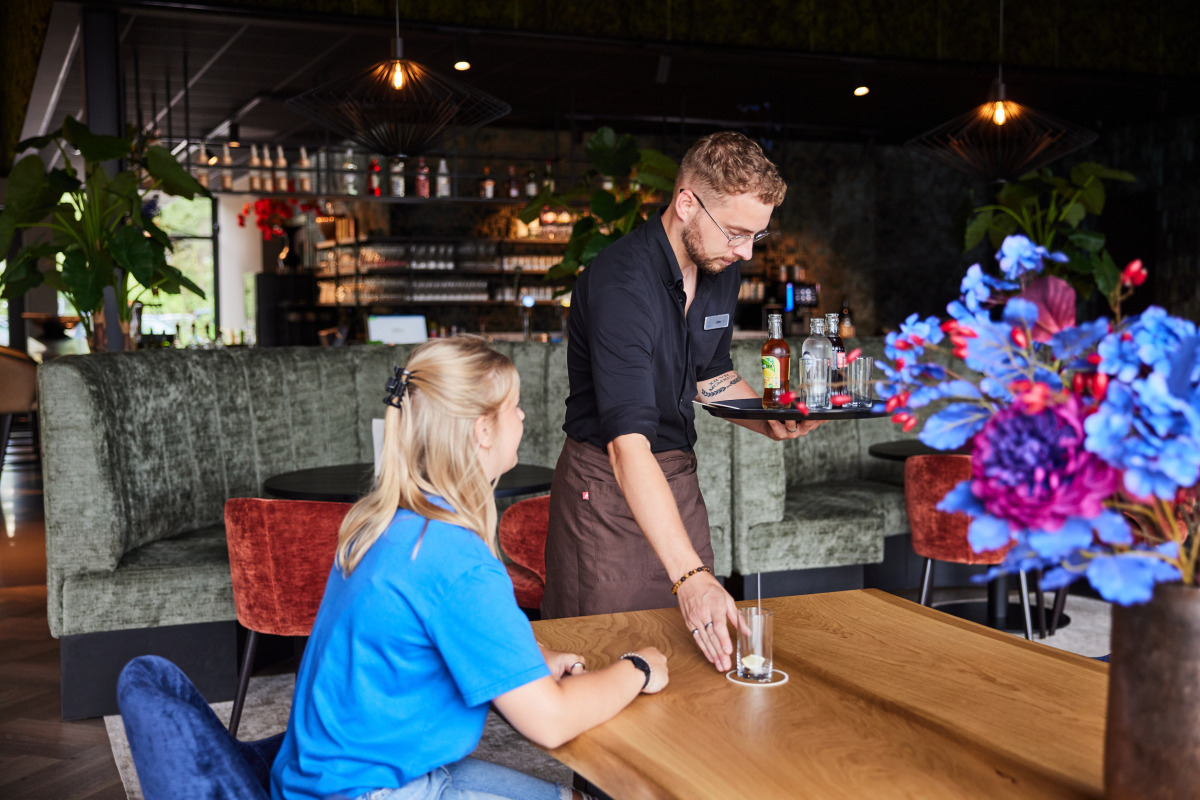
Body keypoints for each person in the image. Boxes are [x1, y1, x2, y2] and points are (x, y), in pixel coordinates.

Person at [271, 337, 669, 800]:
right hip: (368, 792)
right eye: (514, 406)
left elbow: (438, 635)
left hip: (330, 775)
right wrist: (639, 667)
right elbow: (551, 721)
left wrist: (528, 656)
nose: (522, 416)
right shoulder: (455, 561)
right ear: (483, 430)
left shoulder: (385, 524)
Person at [542, 131, 821, 673]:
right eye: (737, 233)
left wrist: (771, 419)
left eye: (756, 236)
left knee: (693, 663)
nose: (745, 252)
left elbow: (709, 375)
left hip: (677, 481)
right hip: (606, 490)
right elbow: (626, 447)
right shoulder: (621, 285)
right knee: (606, 661)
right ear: (687, 202)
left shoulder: (720, 266)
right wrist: (690, 576)